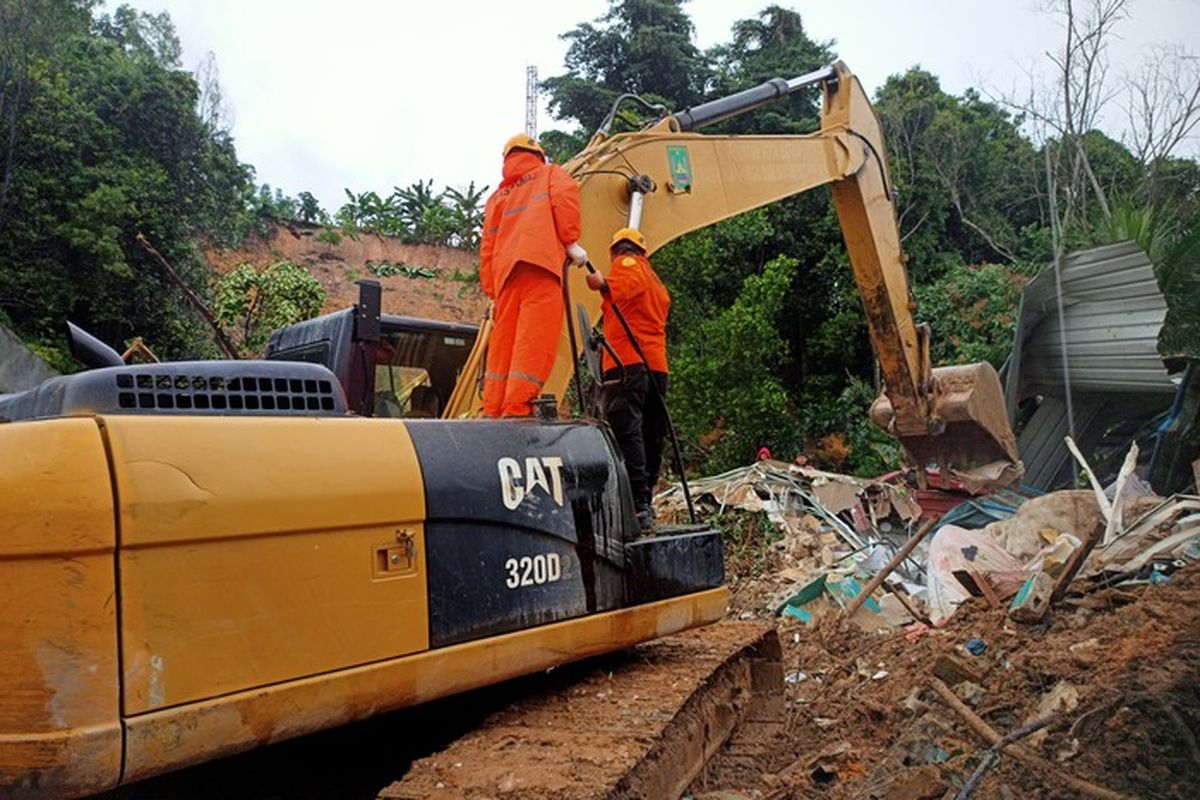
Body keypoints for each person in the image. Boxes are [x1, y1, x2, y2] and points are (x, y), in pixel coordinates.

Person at [478, 133, 586, 417]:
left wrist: (493, 290)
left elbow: (487, 247)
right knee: (533, 340)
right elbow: (564, 200)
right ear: (538, 155)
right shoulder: (550, 174)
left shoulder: (497, 198)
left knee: (504, 345)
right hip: (540, 266)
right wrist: (570, 241)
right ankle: (517, 407)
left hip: (506, 278)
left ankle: (493, 408)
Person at [586, 228, 671, 529]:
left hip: (627, 363)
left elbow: (624, 283)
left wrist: (602, 283)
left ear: (617, 250)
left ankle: (636, 503)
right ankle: (644, 499)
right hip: (655, 366)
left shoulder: (627, 264)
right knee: (651, 433)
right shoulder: (655, 279)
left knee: (626, 431)